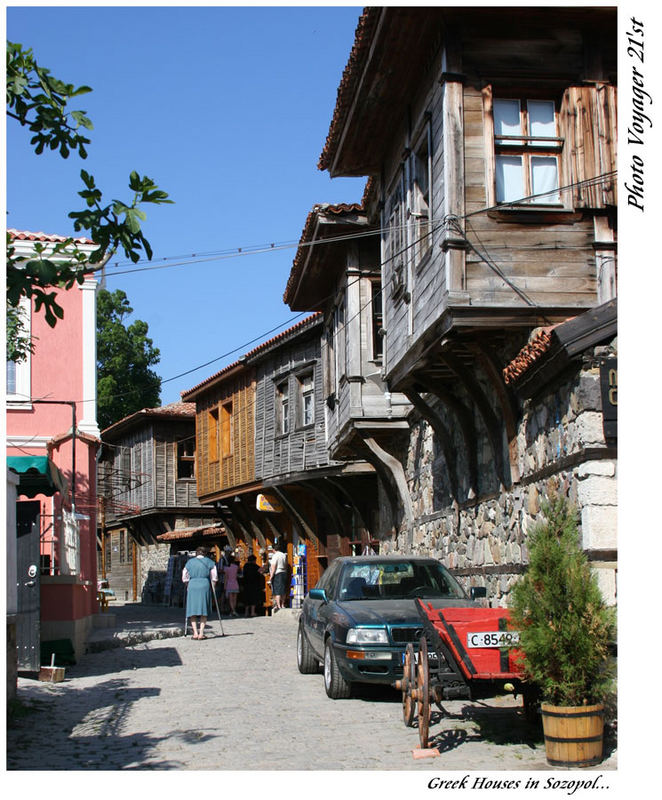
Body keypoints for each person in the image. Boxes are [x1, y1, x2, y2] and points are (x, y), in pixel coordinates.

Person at [182, 546, 217, 639]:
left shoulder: (189, 562)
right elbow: (214, 576)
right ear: (205, 553)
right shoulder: (210, 562)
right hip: (204, 584)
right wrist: (213, 585)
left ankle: (195, 633)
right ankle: (201, 633)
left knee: (192, 609)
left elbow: (184, 576)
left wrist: (187, 584)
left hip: (193, 584)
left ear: (196, 553)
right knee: (203, 609)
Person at [269, 541, 288, 613]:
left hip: (278, 573)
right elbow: (286, 564)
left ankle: (278, 605)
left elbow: (273, 566)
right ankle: (283, 604)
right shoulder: (283, 555)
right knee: (283, 589)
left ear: (274, 549)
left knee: (277, 590)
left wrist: (271, 575)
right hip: (284, 572)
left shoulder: (275, 555)